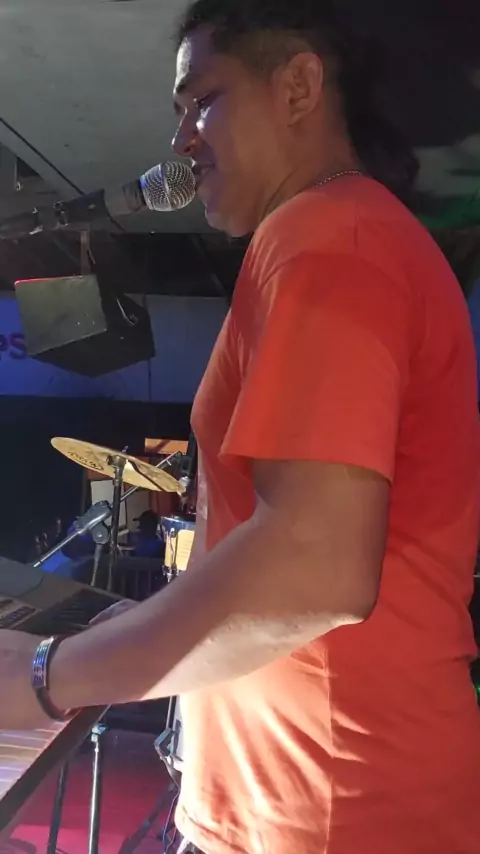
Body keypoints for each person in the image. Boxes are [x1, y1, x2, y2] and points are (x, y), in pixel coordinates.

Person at [0, 2, 479, 853]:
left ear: (298, 86)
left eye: (202, 99)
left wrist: (44, 677)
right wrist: (119, 640)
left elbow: (312, 569)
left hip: (334, 813)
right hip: (308, 801)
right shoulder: (334, 236)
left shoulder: (331, 238)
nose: (181, 137)